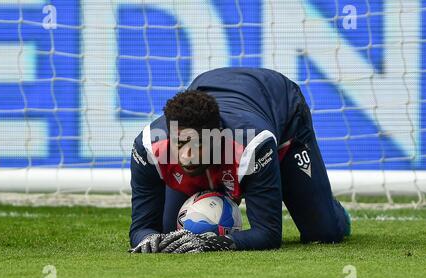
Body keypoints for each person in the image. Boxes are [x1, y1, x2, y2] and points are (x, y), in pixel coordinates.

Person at [129, 67, 351, 253]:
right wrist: (149, 240)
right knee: (171, 234)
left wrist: (212, 243)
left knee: (323, 233)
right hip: (216, 93)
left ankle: (328, 207)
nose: (186, 155)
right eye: (179, 144)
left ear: (217, 138)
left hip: (282, 110)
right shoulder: (150, 147)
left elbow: (268, 234)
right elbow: (141, 228)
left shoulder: (253, 145)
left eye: (197, 144)